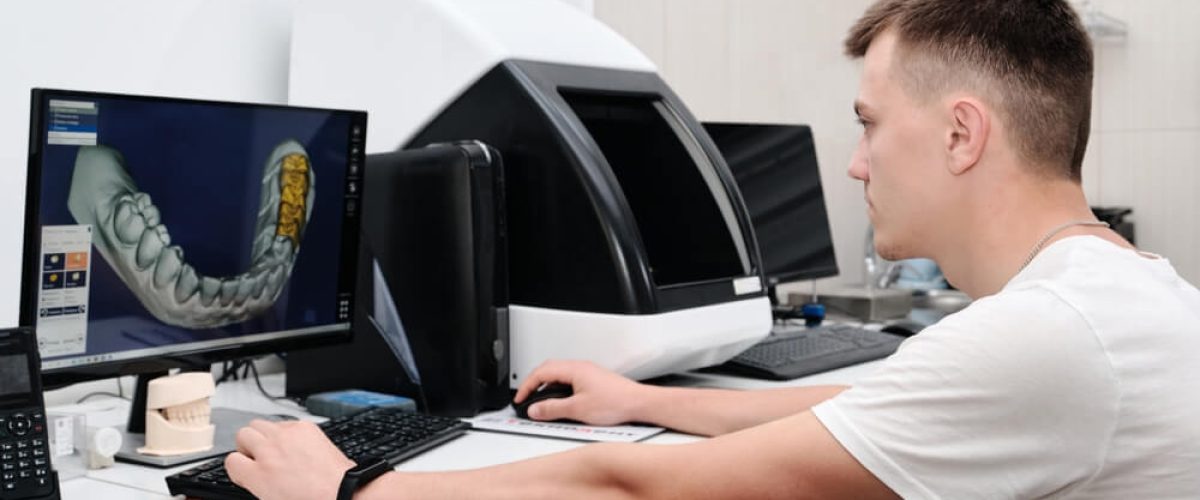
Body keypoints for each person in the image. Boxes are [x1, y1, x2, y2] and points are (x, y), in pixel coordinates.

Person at [224, 0, 1200, 498]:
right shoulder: (1106, 293)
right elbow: (863, 404)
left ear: (960, 134)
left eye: (869, 124)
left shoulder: (1049, 335)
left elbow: (641, 484)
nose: (855, 163)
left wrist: (354, 486)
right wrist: (644, 398)